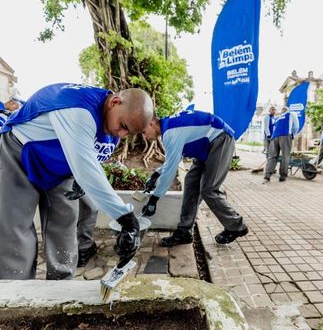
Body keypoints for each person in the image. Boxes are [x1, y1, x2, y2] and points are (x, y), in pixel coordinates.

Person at [0, 83, 153, 280]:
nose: (122, 135)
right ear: (115, 102)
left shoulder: (111, 122)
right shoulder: (79, 109)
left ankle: (61, 286)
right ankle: (18, 292)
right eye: (123, 127)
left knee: (65, 221)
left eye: (128, 133)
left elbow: (91, 158)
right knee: (15, 227)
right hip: (19, 153)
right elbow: (85, 168)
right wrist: (126, 218)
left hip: (60, 165)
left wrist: (82, 181)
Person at [141, 109, 248, 247]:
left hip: (220, 139)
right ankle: (184, 232)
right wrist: (156, 174)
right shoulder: (169, 127)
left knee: (209, 189)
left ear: (151, 123)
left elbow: (170, 170)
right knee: (191, 184)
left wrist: (154, 199)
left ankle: (236, 226)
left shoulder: (170, 132)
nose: (145, 137)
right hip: (205, 146)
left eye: (143, 132)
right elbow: (171, 161)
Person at [264, 106, 299, 182]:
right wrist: (292, 135)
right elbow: (296, 127)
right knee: (285, 156)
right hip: (285, 136)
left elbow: (274, 128)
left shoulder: (277, 118)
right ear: (287, 110)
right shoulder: (291, 114)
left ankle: (267, 174)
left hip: (274, 137)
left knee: (272, 156)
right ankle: (282, 176)